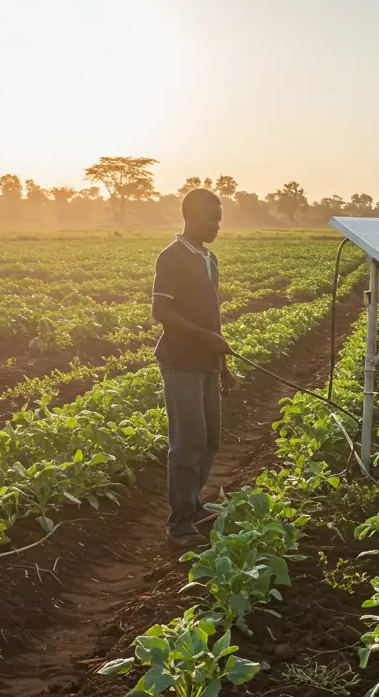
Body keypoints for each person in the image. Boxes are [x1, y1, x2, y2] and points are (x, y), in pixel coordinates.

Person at [151, 188, 236, 548]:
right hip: (182, 361)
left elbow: (211, 318)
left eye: (219, 219)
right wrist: (204, 337)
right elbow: (162, 312)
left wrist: (223, 363)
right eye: (210, 218)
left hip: (207, 363)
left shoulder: (209, 258)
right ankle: (180, 521)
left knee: (210, 440)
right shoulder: (171, 257)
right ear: (190, 217)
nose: (217, 225)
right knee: (187, 443)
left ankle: (194, 504)